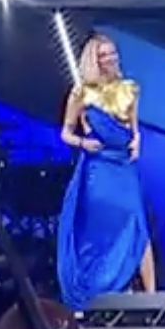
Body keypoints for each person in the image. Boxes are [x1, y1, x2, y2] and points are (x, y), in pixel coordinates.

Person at [56, 33, 154, 304]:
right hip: (98, 167)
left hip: (124, 167)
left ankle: (153, 298)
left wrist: (137, 142)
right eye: (103, 55)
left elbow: (135, 129)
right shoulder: (81, 93)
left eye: (112, 53)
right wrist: (82, 142)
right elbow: (65, 133)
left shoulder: (130, 89)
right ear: (93, 60)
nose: (110, 58)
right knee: (99, 231)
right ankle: (98, 290)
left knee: (136, 223)